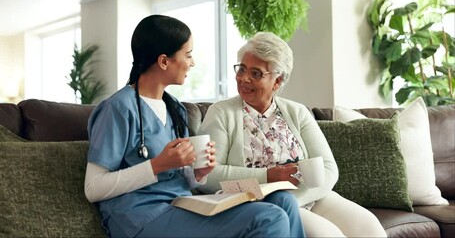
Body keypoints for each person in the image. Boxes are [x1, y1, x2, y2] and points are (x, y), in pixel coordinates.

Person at [84, 15, 305, 238]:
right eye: (188, 55)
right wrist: (157, 165)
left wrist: (198, 174)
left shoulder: (176, 110)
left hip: (183, 205)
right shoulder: (118, 109)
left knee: (283, 201)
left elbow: (181, 178)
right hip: (141, 216)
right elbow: (93, 188)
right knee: (269, 218)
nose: (193, 63)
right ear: (163, 61)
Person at [197, 32, 387, 238]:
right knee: (329, 235)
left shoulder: (297, 112)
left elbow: (329, 168)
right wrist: (268, 176)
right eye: (242, 69)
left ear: (277, 82)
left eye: (256, 73)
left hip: (308, 196)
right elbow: (208, 176)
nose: (244, 78)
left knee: (370, 227)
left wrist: (296, 199)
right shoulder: (222, 112)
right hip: (264, 203)